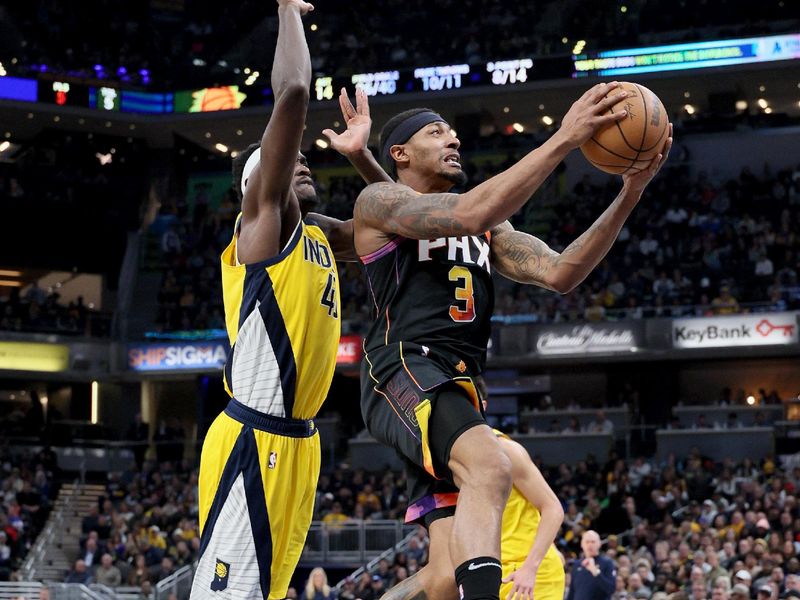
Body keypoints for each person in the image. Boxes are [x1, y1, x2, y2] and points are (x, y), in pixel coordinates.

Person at [355, 85, 671, 600]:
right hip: (405, 367)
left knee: (440, 576)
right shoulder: (380, 201)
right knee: (491, 465)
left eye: (453, 132)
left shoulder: (491, 228)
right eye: (437, 132)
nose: (453, 138)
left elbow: (561, 271)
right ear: (401, 153)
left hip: (458, 379)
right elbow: (466, 213)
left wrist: (630, 191)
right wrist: (565, 138)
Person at [188, 2, 386, 599]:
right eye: (284, 158)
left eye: (304, 158)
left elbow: (400, 221)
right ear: (256, 184)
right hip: (255, 435)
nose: (300, 158)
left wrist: (362, 155)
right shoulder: (260, 224)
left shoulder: (323, 236)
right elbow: (294, 91)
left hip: (301, 442)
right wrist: (287, 10)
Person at [565, 531, 616, 600]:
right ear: (582, 544)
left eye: (593, 542)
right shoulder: (577, 565)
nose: (590, 545)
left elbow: (611, 589)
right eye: (587, 542)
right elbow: (572, 592)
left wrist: (596, 572)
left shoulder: (607, 563)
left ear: (599, 544)